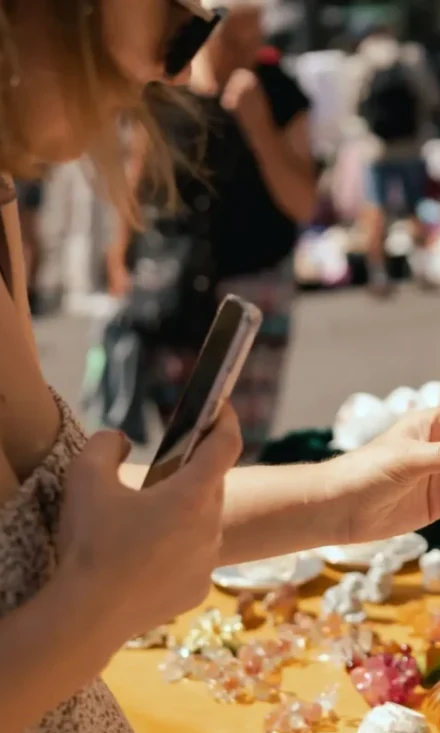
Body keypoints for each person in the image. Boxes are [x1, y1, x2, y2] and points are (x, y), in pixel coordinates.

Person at [0, 1, 440, 733]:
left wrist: (346, 498)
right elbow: (77, 576)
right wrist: (93, 610)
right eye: (179, 8)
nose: (179, 59)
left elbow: (38, 525)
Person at [107, 0, 316, 463]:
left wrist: (258, 125)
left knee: (236, 442)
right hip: (171, 284)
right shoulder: (164, 91)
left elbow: (303, 200)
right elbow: (138, 180)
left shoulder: (278, 93)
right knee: (177, 441)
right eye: (236, 36)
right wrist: (120, 256)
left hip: (252, 285)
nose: (250, 48)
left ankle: (230, 526)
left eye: (256, 34)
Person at [355, 26, 440, 297]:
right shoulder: (411, 58)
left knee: (375, 210)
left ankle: (379, 274)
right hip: (411, 145)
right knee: (415, 207)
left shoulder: (361, 63)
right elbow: (433, 98)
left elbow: (352, 107)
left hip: (376, 148)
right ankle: (422, 267)